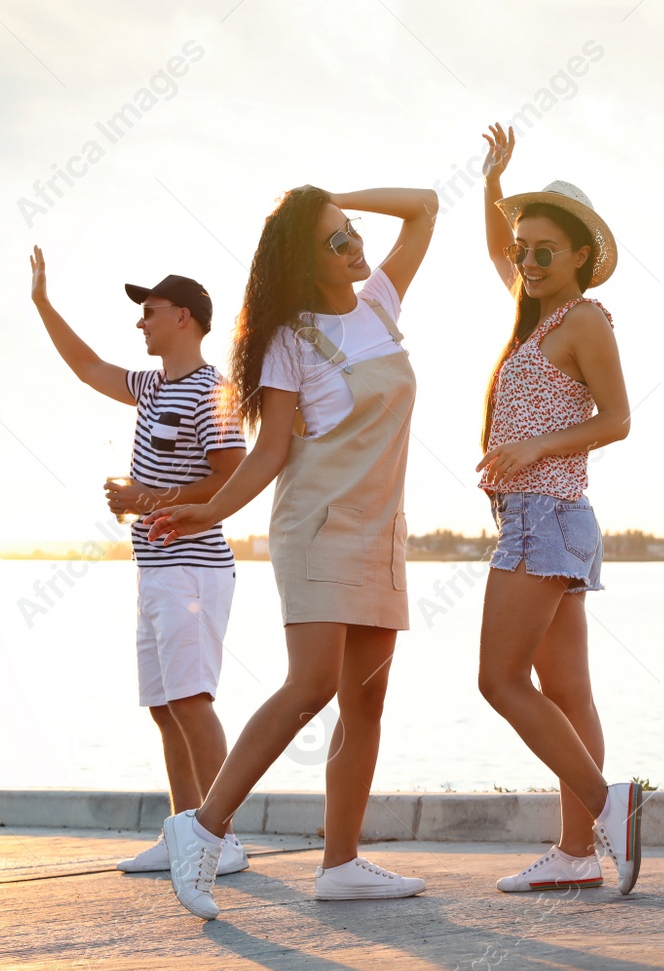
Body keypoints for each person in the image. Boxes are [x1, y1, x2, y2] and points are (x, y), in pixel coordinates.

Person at [146, 185, 436, 919]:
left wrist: (327, 198)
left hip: (380, 529)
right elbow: (272, 448)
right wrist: (208, 509)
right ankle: (202, 827)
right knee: (311, 685)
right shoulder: (291, 339)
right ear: (306, 263)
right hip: (317, 526)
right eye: (334, 240)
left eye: (350, 234)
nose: (352, 246)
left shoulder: (378, 306)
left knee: (365, 697)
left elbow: (426, 206)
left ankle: (340, 863)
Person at [28, 254, 252, 878]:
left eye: (148, 313)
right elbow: (87, 367)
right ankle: (188, 833)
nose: (140, 324)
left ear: (183, 318)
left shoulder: (216, 392)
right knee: (165, 707)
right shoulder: (152, 388)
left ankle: (222, 836)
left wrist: (142, 499)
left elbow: (230, 479)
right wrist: (44, 303)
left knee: (191, 700)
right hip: (155, 571)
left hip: (194, 570)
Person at [474, 125, 643, 895]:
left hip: (545, 514)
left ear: (579, 256)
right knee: (569, 694)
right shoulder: (537, 316)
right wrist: (492, 184)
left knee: (500, 680)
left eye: (546, 251)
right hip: (548, 517)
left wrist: (533, 447)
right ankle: (577, 853)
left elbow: (617, 419)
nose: (529, 262)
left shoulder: (584, 319)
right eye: (524, 250)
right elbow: (496, 249)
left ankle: (610, 808)